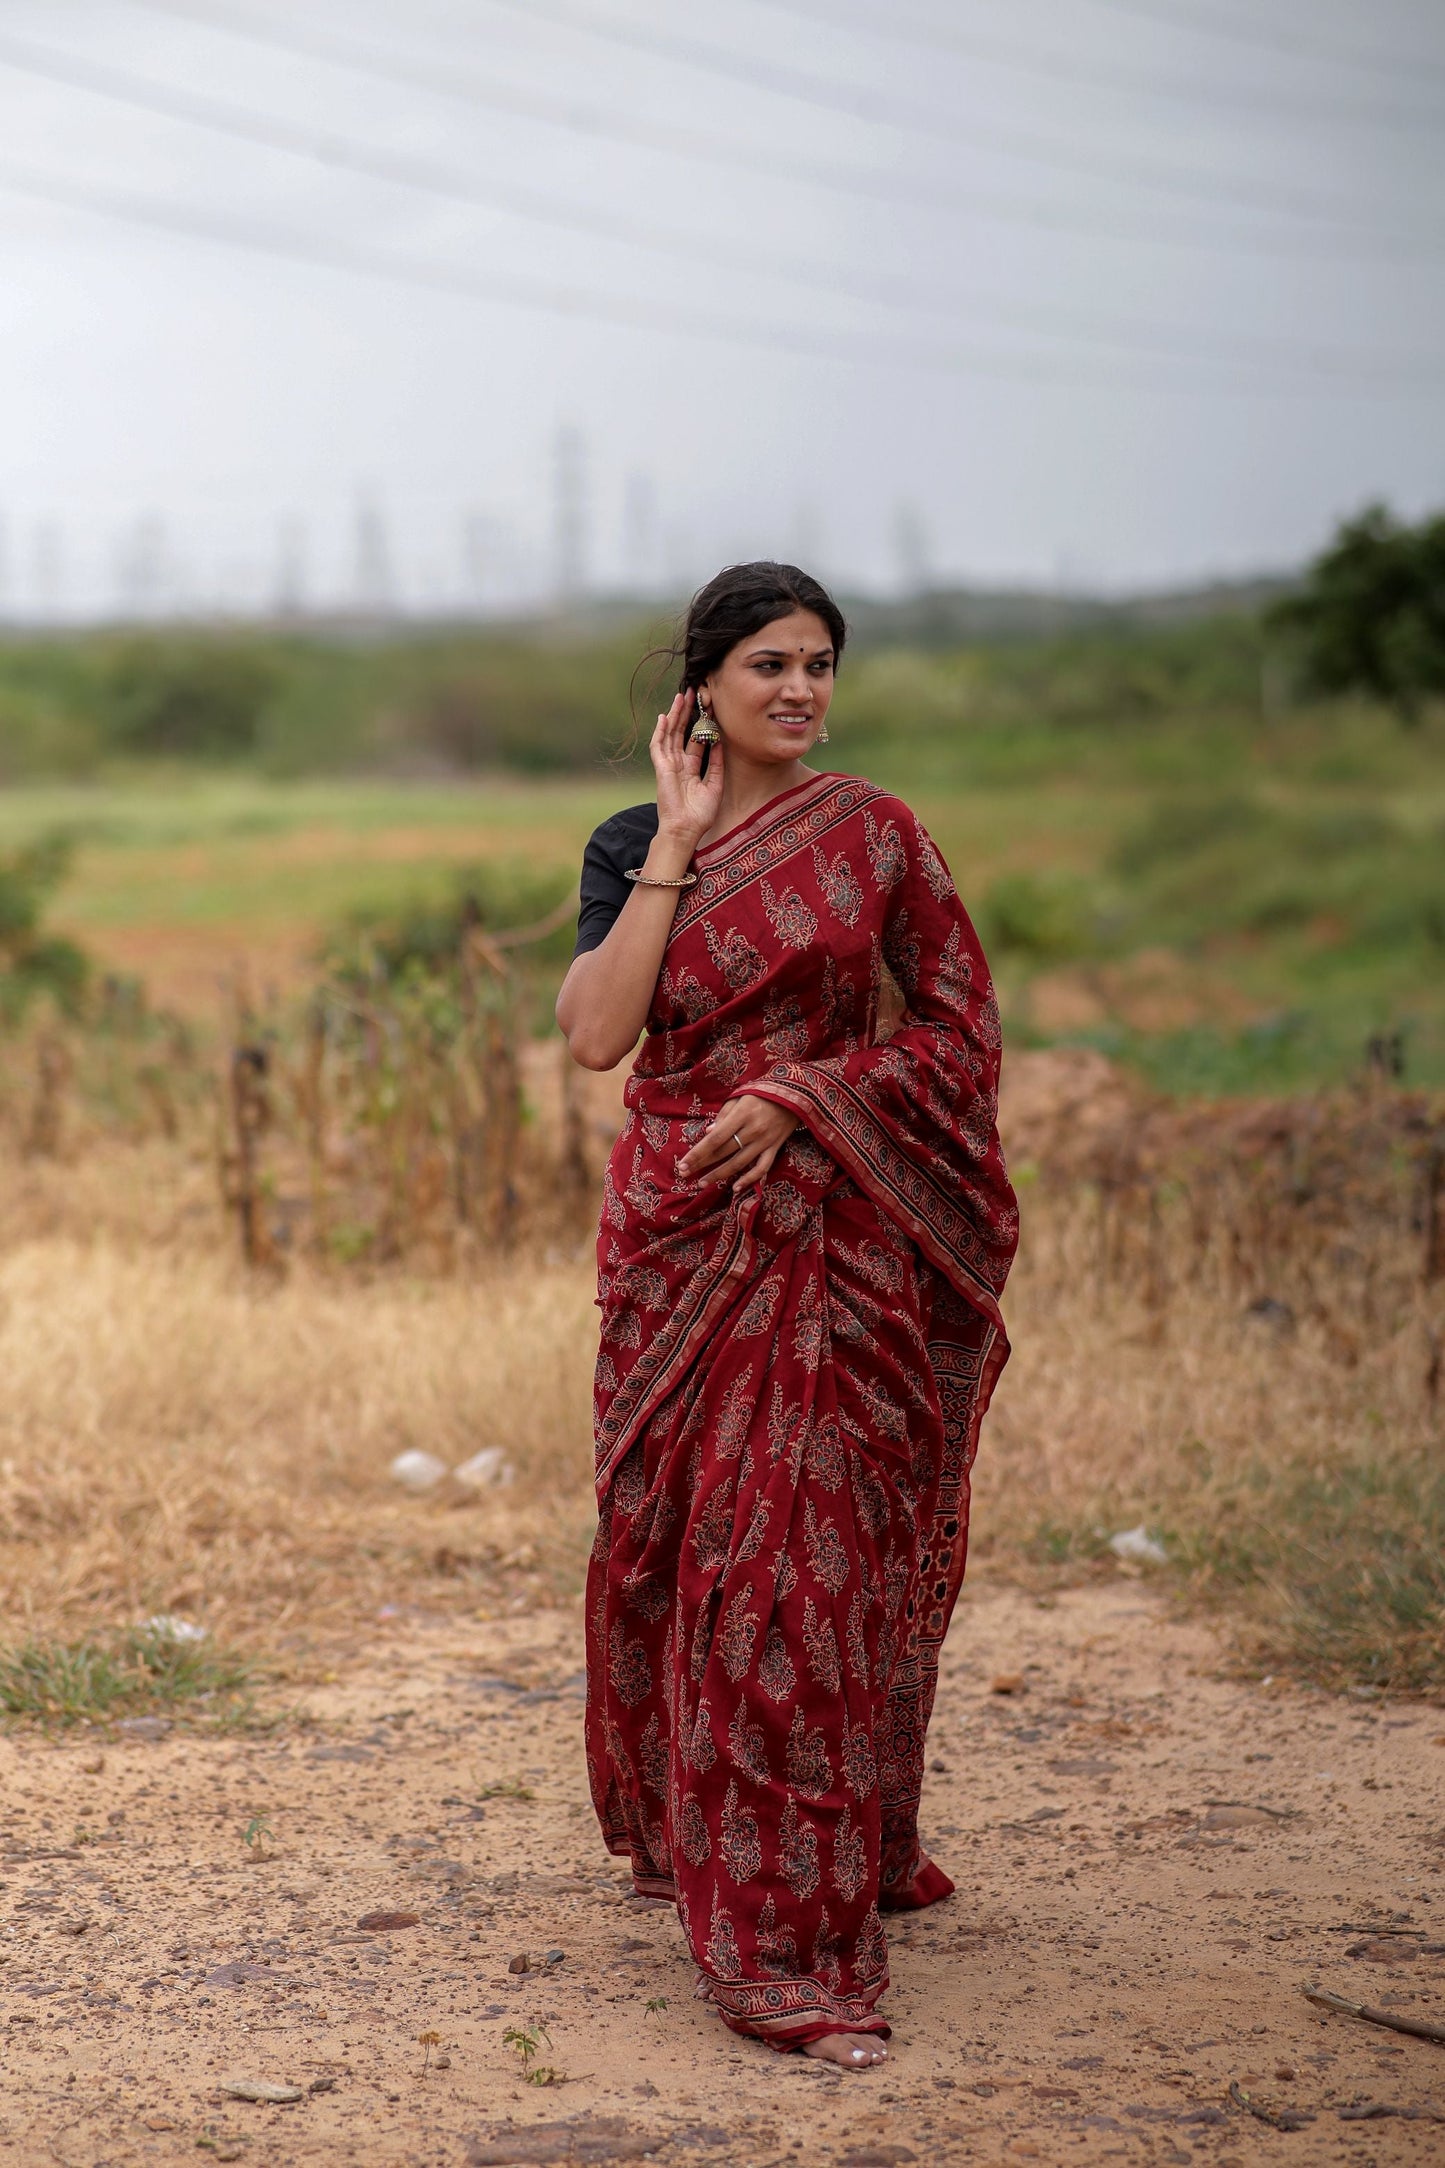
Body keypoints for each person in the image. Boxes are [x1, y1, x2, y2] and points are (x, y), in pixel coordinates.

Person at [556, 562, 1017, 2068]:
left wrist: (806, 1092)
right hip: (675, 1238)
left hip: (829, 1244)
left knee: (791, 1576)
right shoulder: (635, 842)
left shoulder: (878, 840)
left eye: (821, 662)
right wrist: (678, 846)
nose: (801, 690)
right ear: (704, 687)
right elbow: (599, 1037)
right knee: (659, 1552)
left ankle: (786, 1939)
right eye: (769, 664)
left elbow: (956, 1036)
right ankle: (698, 1840)